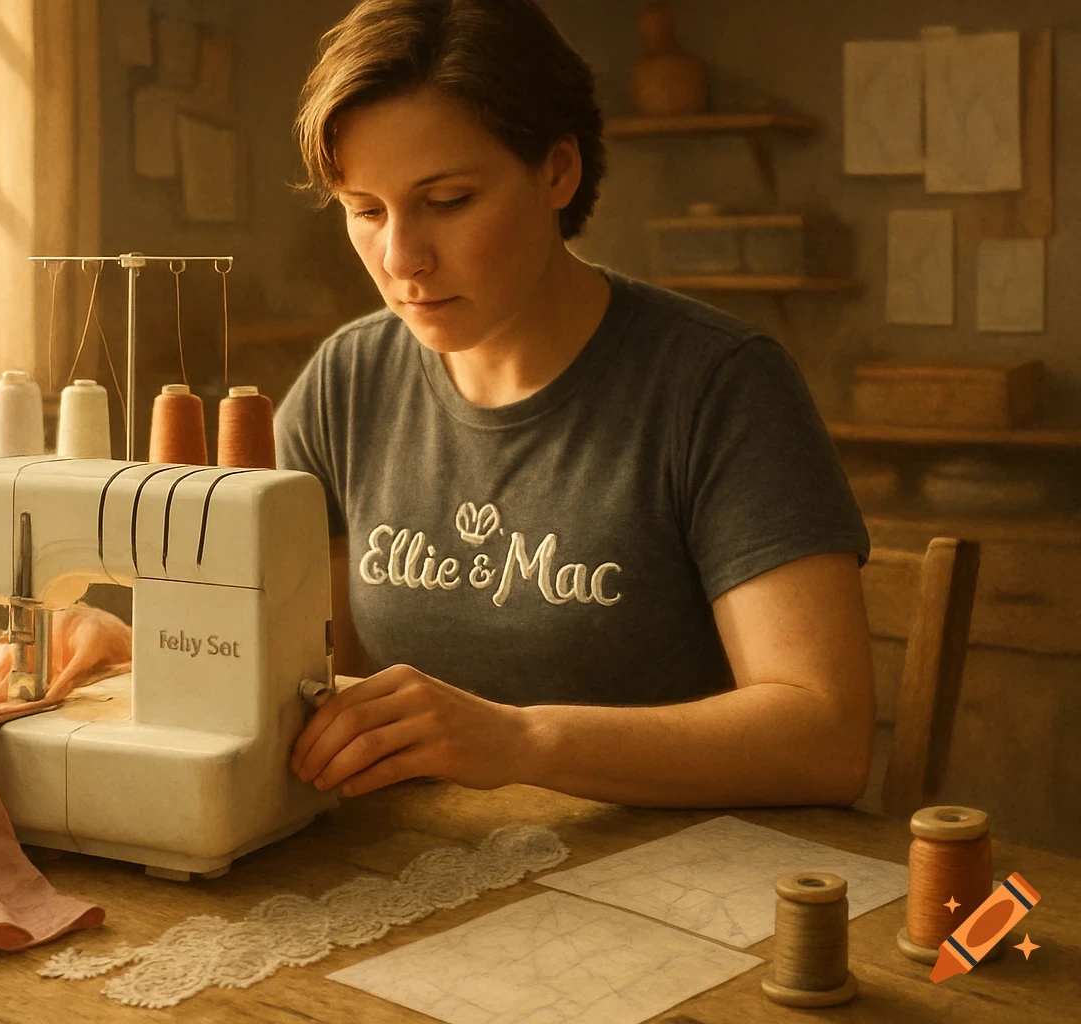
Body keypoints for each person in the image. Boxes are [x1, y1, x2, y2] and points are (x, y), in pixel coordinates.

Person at [276, 0, 875, 810]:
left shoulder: (719, 385)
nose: (402, 258)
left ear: (558, 171)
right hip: (428, 863)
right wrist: (145, 657)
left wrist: (522, 741)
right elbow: (311, 690)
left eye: (448, 200)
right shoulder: (344, 384)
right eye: (366, 210)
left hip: (675, 885)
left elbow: (825, 737)